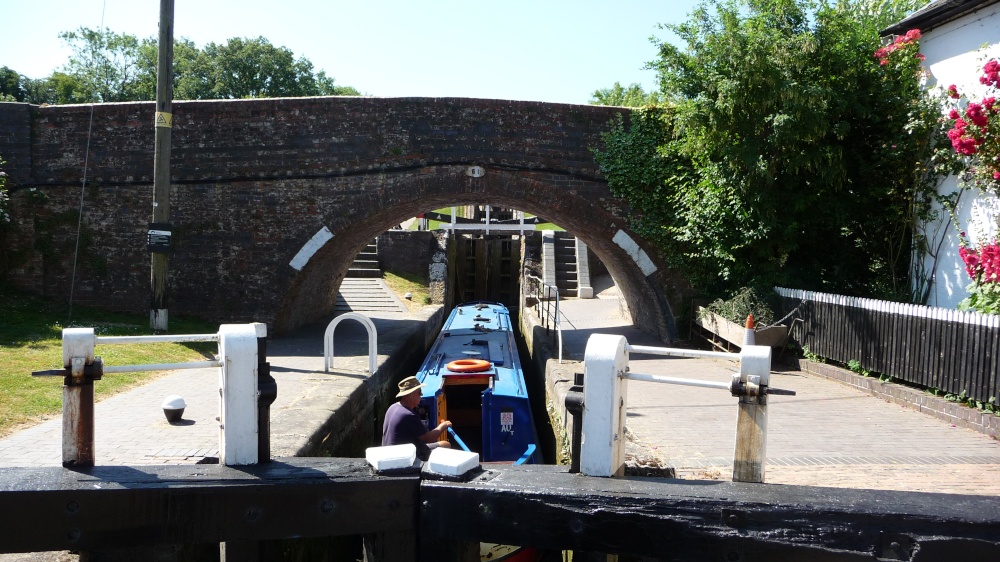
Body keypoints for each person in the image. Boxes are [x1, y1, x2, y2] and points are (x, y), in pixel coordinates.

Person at [382, 376, 452, 460]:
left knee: (443, 444)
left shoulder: (392, 407)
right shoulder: (409, 415)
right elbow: (429, 438)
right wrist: (444, 425)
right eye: (419, 392)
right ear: (410, 394)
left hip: (387, 452)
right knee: (446, 445)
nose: (421, 395)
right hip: (402, 456)